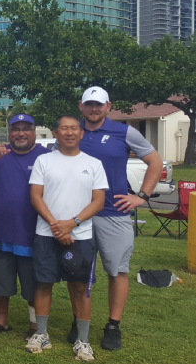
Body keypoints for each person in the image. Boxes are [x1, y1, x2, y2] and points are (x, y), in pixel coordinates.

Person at [77, 86, 162, 350]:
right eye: (89, 104)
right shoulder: (70, 130)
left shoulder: (124, 132)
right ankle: (79, 318)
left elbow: (155, 162)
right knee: (77, 271)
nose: (94, 108)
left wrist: (142, 196)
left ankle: (113, 326)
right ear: (81, 106)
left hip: (114, 213)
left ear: (108, 106)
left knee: (117, 271)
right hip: (78, 214)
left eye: (98, 104)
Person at [25, 115, 108, 363]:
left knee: (81, 286)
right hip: (46, 233)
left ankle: (83, 340)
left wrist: (72, 223)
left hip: (80, 234)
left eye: (74, 128)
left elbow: (99, 201)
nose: (69, 132)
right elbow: (36, 196)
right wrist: (55, 226)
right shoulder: (44, 160)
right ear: (56, 133)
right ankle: (41, 334)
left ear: (81, 133)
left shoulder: (93, 164)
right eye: (64, 128)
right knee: (43, 283)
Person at [0, 114, 50, 341]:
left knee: (33, 282)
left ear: (34, 131)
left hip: (33, 231)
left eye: (25, 128)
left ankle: (34, 323)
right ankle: (1, 319)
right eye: (15, 129)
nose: (20, 133)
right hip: (0, 230)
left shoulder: (46, 157)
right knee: (0, 279)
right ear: (9, 132)